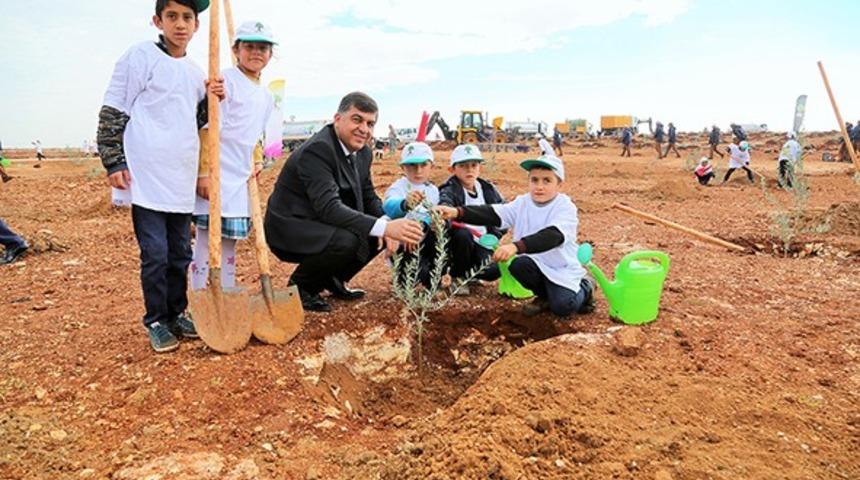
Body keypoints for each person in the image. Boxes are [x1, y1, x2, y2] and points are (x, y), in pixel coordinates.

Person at [97, 0, 214, 353]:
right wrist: (114, 161)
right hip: (146, 176)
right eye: (172, 16)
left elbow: (197, 120)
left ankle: (177, 313)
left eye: (188, 17)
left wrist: (214, 99)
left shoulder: (195, 73)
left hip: (180, 177)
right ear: (157, 20)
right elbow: (114, 108)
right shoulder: (140, 57)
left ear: (197, 25)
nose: (180, 24)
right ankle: (156, 320)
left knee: (180, 253)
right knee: (155, 254)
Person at [264, 92, 424, 312]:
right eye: (357, 119)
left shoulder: (363, 153)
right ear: (338, 119)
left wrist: (386, 221)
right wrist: (386, 227)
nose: (364, 129)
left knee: (375, 231)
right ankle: (301, 287)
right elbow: (329, 208)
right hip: (290, 227)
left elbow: (368, 196)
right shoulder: (318, 150)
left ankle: (333, 279)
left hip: (320, 221)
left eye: (370, 123)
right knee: (349, 239)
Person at [435, 155, 594, 318]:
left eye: (547, 181)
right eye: (534, 180)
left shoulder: (564, 206)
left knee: (563, 307)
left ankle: (586, 286)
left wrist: (515, 246)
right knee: (518, 266)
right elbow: (493, 213)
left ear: (559, 184)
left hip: (562, 268)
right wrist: (457, 212)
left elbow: (552, 236)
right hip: (535, 263)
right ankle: (544, 297)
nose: (539, 186)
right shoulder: (522, 203)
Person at [190, 20, 276, 292]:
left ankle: (225, 294)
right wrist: (204, 172)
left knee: (229, 242)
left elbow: (256, 133)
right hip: (218, 171)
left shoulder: (266, 95)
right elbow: (208, 128)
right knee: (206, 240)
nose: (256, 53)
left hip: (240, 176)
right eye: (249, 46)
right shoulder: (224, 80)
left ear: (270, 54)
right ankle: (199, 296)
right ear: (236, 50)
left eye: (263, 48)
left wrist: (258, 159)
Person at [438, 144, 505, 295]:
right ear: (452, 169)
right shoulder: (449, 189)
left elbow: (503, 212)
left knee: (494, 270)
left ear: (480, 167)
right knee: (463, 235)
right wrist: (445, 217)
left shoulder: (487, 189)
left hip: (483, 241)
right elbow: (445, 205)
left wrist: (495, 235)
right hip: (458, 243)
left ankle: (471, 275)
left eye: (474, 165)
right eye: (463, 166)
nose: (469, 170)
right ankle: (458, 276)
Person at [382, 142, 440, 287]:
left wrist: (420, 225)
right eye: (412, 165)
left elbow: (434, 214)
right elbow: (389, 206)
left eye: (423, 165)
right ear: (403, 168)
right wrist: (404, 204)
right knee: (409, 279)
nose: (418, 171)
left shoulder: (433, 191)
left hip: (426, 241)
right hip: (404, 245)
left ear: (432, 166)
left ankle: (433, 282)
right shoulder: (398, 187)